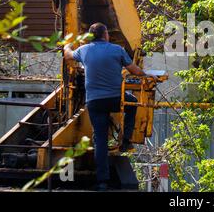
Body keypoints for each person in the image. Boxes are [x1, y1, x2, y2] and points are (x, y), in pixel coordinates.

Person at [64, 22, 155, 191]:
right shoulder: (117, 50)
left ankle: (102, 182)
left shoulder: (84, 50)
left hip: (95, 102)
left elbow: (68, 55)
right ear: (106, 35)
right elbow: (134, 70)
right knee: (132, 103)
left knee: (100, 140)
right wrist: (148, 76)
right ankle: (126, 140)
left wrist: (68, 44)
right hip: (115, 98)